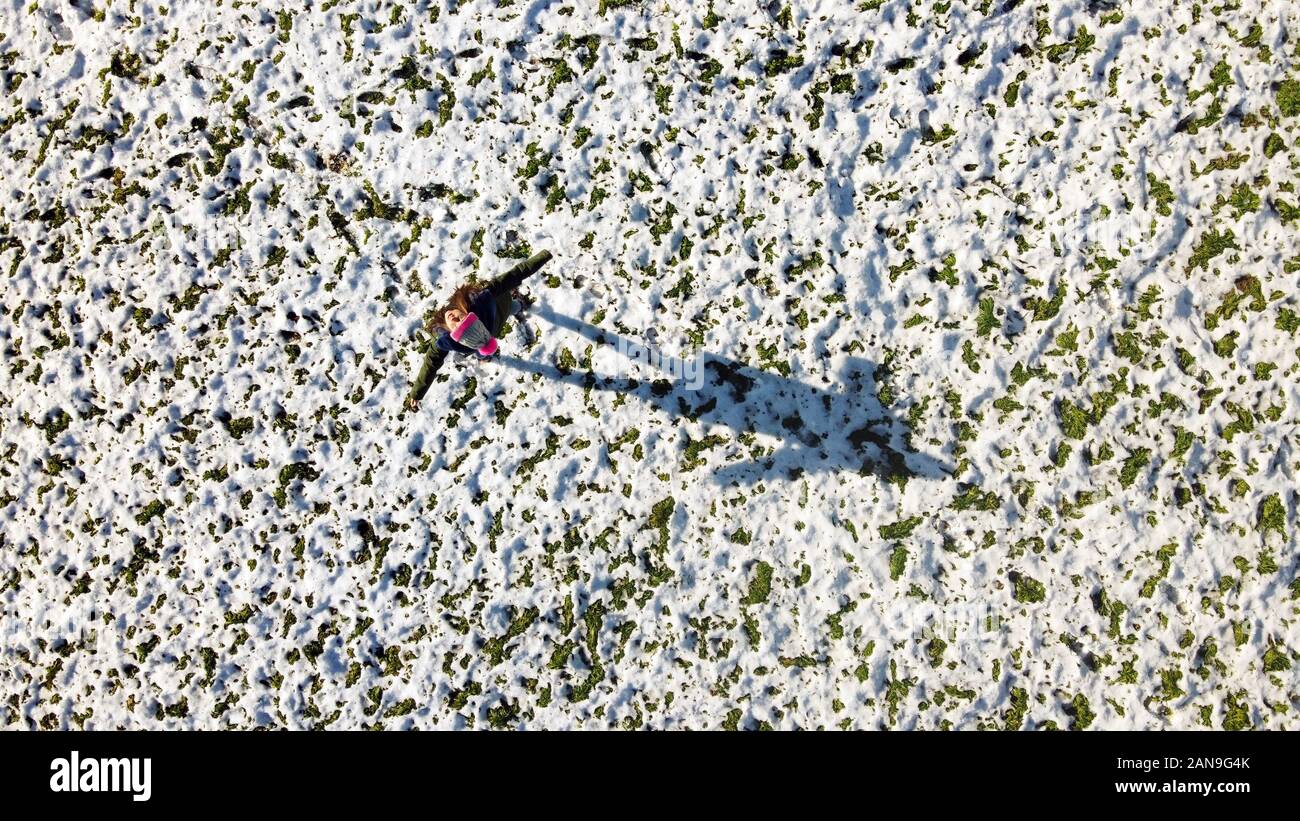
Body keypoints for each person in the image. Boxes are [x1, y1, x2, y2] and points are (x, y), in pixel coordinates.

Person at [404, 249, 554, 409]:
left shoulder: (445, 338)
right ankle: (517, 307)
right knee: (511, 309)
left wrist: (417, 392)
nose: (453, 319)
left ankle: (486, 351)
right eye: (459, 320)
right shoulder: (482, 298)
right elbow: (515, 274)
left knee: (507, 313)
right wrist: (418, 392)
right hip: (499, 309)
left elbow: (432, 362)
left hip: (500, 311)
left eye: (458, 323)